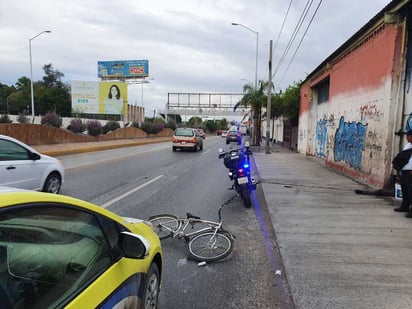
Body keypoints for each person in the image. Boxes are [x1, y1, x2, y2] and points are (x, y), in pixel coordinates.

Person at [394, 129, 412, 216]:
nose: (407, 137)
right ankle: (405, 206)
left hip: (410, 172)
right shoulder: (408, 146)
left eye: (408, 136)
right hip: (404, 171)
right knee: (405, 190)